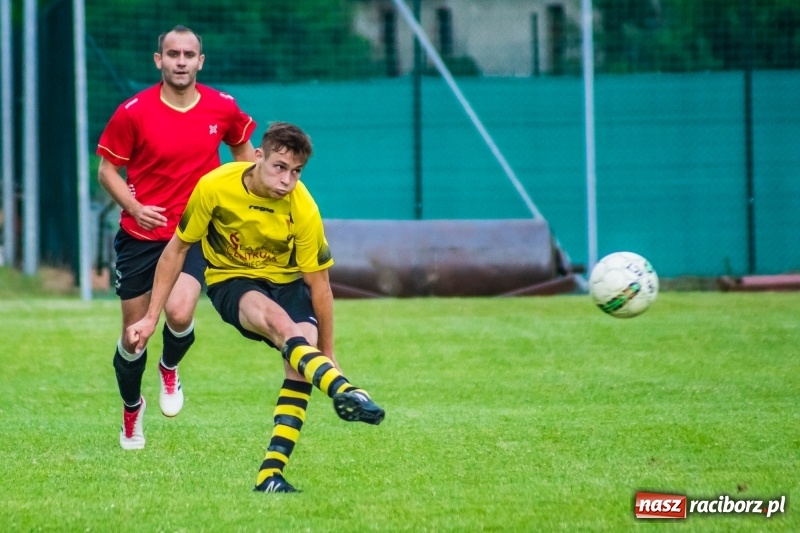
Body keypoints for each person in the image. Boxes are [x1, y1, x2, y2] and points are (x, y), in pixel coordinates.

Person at [126, 122, 385, 493]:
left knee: (302, 358)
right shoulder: (216, 186)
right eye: (279, 167)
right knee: (283, 326)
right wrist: (151, 317)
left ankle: (270, 475)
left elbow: (320, 287)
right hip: (232, 281)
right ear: (258, 157)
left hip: (288, 283)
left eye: (296, 172)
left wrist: (327, 353)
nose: (287, 181)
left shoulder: (304, 209)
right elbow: (177, 250)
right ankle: (345, 390)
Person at [97, 25, 257, 450]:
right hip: (140, 237)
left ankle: (170, 367)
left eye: (189, 54)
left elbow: (244, 156)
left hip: (192, 234)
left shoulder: (223, 107)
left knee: (181, 312)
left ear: (200, 62)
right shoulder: (133, 111)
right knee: (134, 337)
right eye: (173, 54)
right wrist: (133, 208)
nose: (181, 61)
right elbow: (106, 171)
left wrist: (236, 203)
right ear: (159, 60)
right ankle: (132, 410)